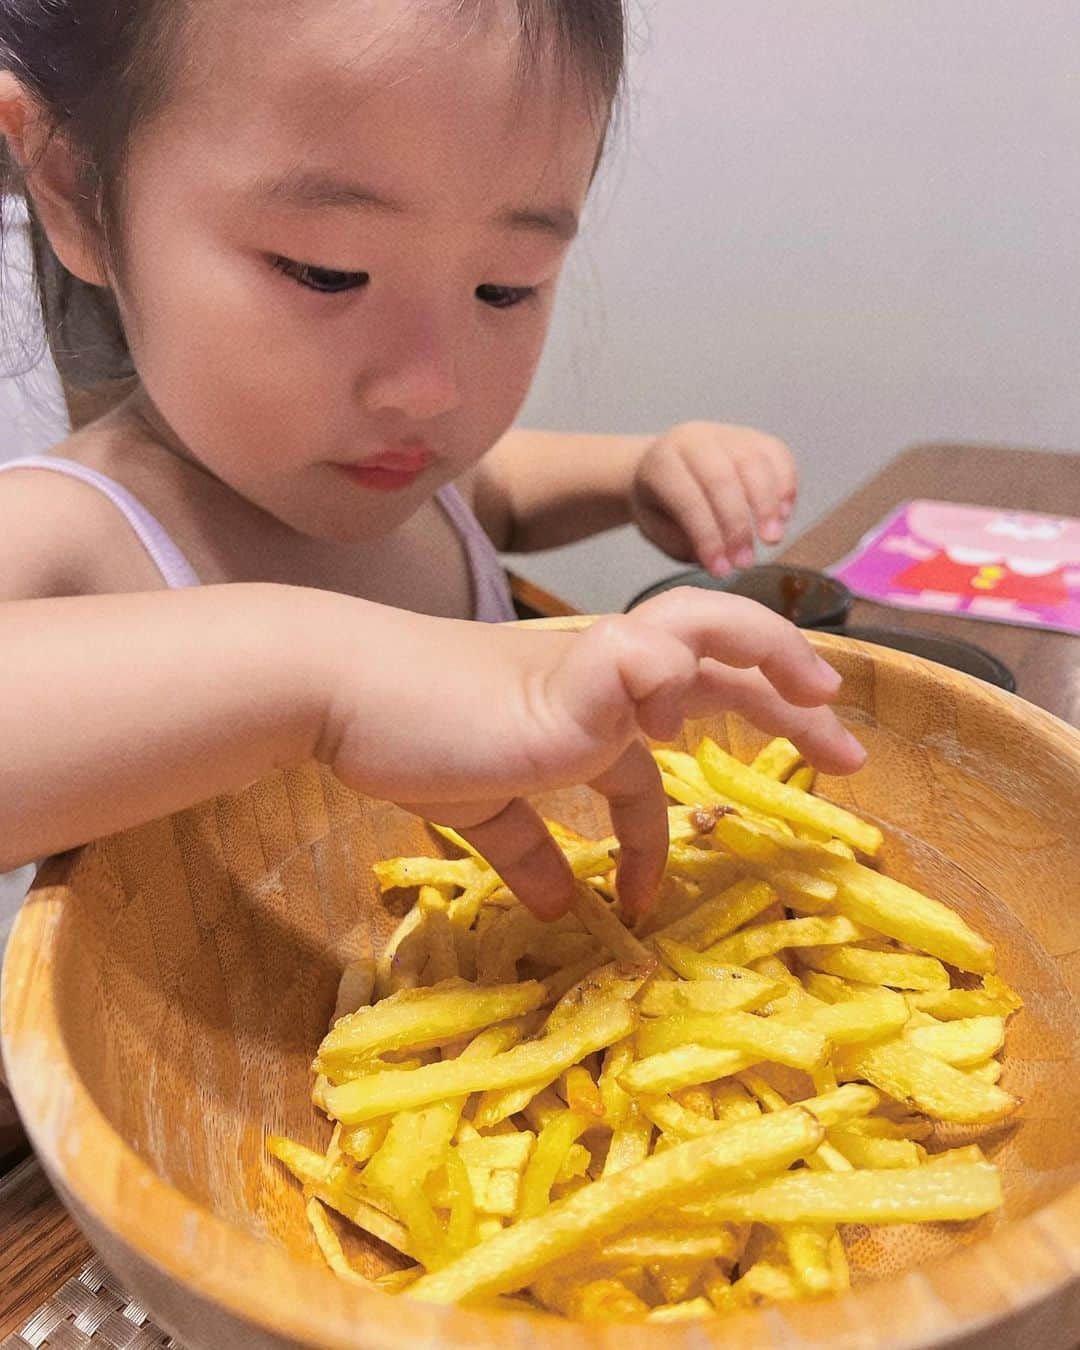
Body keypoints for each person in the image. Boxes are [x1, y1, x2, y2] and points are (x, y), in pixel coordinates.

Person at [0, 0, 866, 936]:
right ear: (75, 187)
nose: (431, 389)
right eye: (325, 272)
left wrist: (635, 474)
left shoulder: (413, 482)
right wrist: (329, 682)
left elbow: (498, 495)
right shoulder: (68, 532)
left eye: (506, 285)